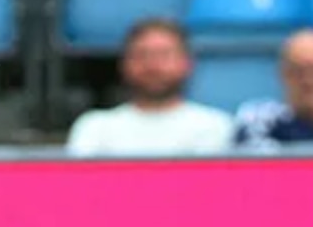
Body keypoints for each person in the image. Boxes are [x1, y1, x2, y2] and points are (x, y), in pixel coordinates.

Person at [66, 19, 233, 156]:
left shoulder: (215, 126)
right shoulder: (95, 127)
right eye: (142, 54)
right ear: (124, 65)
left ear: (187, 63)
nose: (152, 65)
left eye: (164, 54)